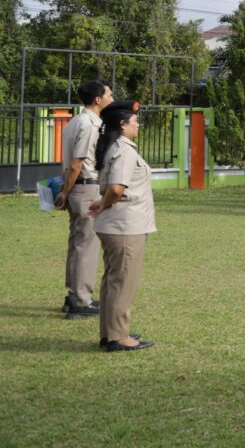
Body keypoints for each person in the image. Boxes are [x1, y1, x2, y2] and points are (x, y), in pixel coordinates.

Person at [88, 100, 155, 351]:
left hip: (118, 224)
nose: (138, 125)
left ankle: (111, 332)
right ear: (123, 124)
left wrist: (102, 203)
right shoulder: (124, 151)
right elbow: (117, 189)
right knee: (122, 281)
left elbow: (112, 188)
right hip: (125, 226)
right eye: (135, 121)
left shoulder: (113, 147)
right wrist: (105, 203)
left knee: (113, 280)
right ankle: (117, 337)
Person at [56, 78, 113, 319]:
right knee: (86, 246)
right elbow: (77, 163)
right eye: (109, 95)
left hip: (77, 189)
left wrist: (66, 192)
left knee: (77, 244)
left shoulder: (74, 121)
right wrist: (65, 192)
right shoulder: (90, 125)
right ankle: (81, 300)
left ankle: (73, 296)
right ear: (98, 99)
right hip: (86, 188)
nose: (111, 98)